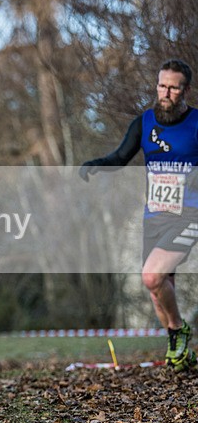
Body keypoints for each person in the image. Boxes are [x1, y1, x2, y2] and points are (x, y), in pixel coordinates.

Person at [81, 58, 198, 372]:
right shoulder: (144, 123)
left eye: (174, 87)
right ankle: (180, 351)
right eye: (162, 85)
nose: (166, 92)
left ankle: (179, 331)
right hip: (154, 217)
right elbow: (120, 156)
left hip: (188, 217)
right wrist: (96, 164)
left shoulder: (196, 124)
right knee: (157, 290)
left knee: (151, 275)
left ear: (186, 90)